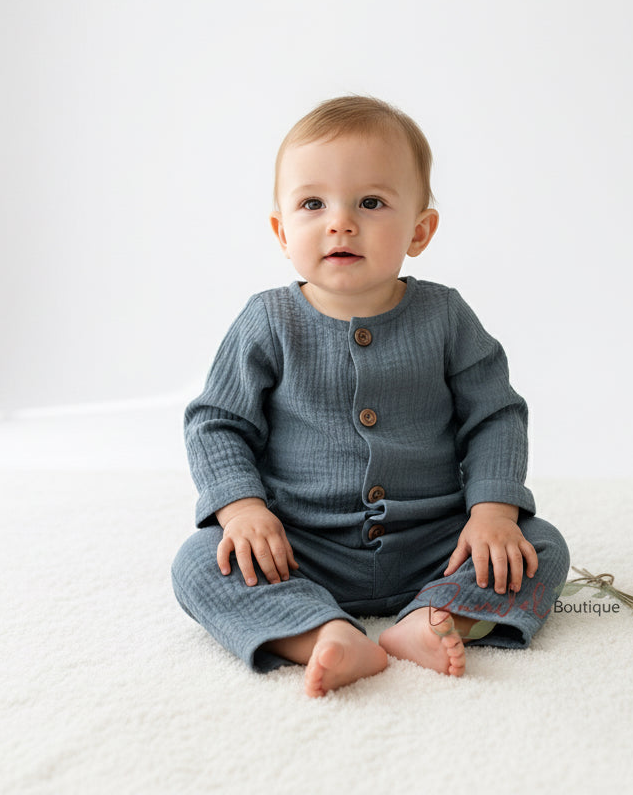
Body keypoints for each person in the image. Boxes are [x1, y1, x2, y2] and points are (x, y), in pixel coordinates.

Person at [172, 95, 569, 696]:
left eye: (371, 203)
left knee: (539, 547)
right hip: (300, 546)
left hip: (434, 541)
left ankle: (432, 619)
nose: (341, 222)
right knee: (201, 562)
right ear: (282, 231)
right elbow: (217, 423)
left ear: (420, 229)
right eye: (313, 204)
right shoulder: (268, 321)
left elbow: (496, 416)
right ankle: (322, 633)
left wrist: (492, 511)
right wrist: (243, 510)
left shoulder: (446, 316)